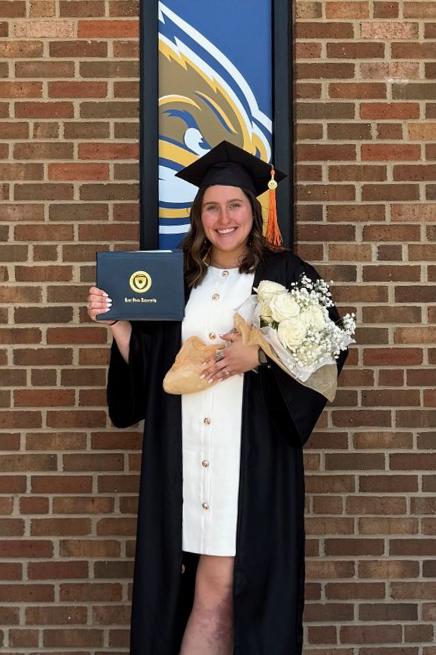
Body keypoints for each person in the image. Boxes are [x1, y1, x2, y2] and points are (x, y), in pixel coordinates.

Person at [87, 141, 347, 655]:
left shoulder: (287, 273)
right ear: (198, 214)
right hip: (184, 461)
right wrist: (118, 325)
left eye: (235, 206)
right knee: (208, 593)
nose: (223, 218)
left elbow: (327, 353)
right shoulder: (180, 277)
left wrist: (261, 358)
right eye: (211, 206)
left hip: (246, 464)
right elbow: (152, 369)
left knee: (221, 591)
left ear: (254, 210)